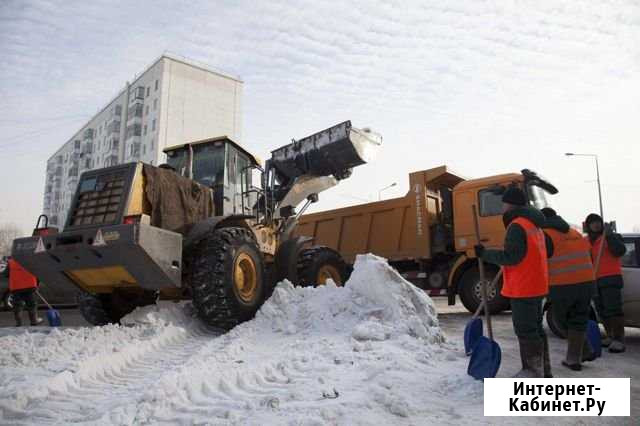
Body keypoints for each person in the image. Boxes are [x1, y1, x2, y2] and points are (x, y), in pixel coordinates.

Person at [475, 186, 552, 378]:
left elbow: (512, 256)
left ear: (509, 204)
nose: (502, 207)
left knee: (526, 330)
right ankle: (543, 371)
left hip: (524, 288)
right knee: (536, 330)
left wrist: (485, 254)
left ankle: (532, 372)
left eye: (504, 203)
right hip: (536, 285)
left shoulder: (517, 225)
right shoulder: (534, 225)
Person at [541, 208, 596, 371]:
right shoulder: (574, 233)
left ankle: (581, 352)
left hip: (563, 284)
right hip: (586, 282)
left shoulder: (545, 235)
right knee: (578, 319)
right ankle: (576, 357)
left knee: (560, 320)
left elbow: (539, 260)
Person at [584, 213, 627, 353]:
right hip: (594, 279)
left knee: (613, 309)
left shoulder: (611, 237)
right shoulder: (586, 241)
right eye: (592, 223)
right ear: (588, 226)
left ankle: (619, 339)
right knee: (602, 310)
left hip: (610, 278)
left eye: (598, 222)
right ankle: (610, 335)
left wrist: (609, 235)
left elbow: (620, 251)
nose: (596, 225)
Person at [6, 257, 43, 327]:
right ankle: (34, 321)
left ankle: (18, 323)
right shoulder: (31, 259)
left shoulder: (11, 262)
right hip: (30, 285)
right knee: (31, 304)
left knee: (17, 305)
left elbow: (6, 274)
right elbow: (37, 273)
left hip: (16, 287)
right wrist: (37, 285)